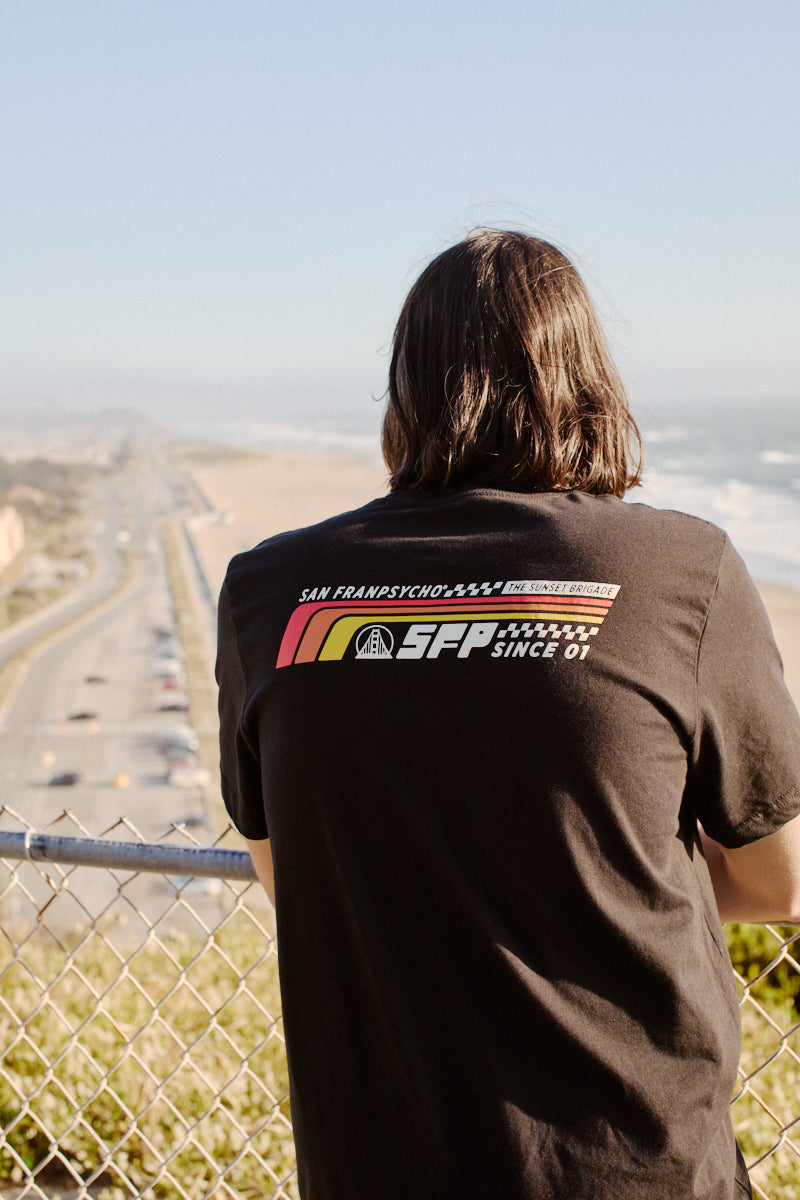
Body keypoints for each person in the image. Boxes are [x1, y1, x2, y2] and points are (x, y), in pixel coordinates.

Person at [216, 230, 800, 1200]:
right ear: (585, 382)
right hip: (634, 1167)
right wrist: (588, 855)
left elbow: (294, 874)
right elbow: (776, 877)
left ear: (406, 393)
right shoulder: (679, 575)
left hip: (376, 1167)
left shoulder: (269, 593)